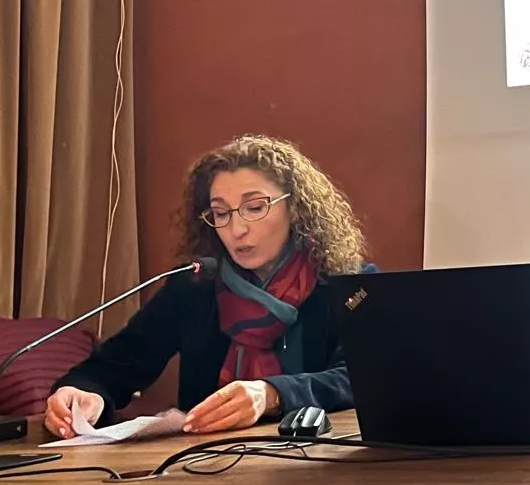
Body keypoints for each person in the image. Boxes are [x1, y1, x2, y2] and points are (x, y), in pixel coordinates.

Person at [46, 135, 373, 438]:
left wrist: (272, 393)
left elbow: (363, 378)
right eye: (220, 213)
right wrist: (81, 393)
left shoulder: (348, 285)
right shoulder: (195, 285)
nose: (237, 229)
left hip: (317, 469)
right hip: (208, 466)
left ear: (295, 208)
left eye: (255, 208)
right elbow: (117, 365)